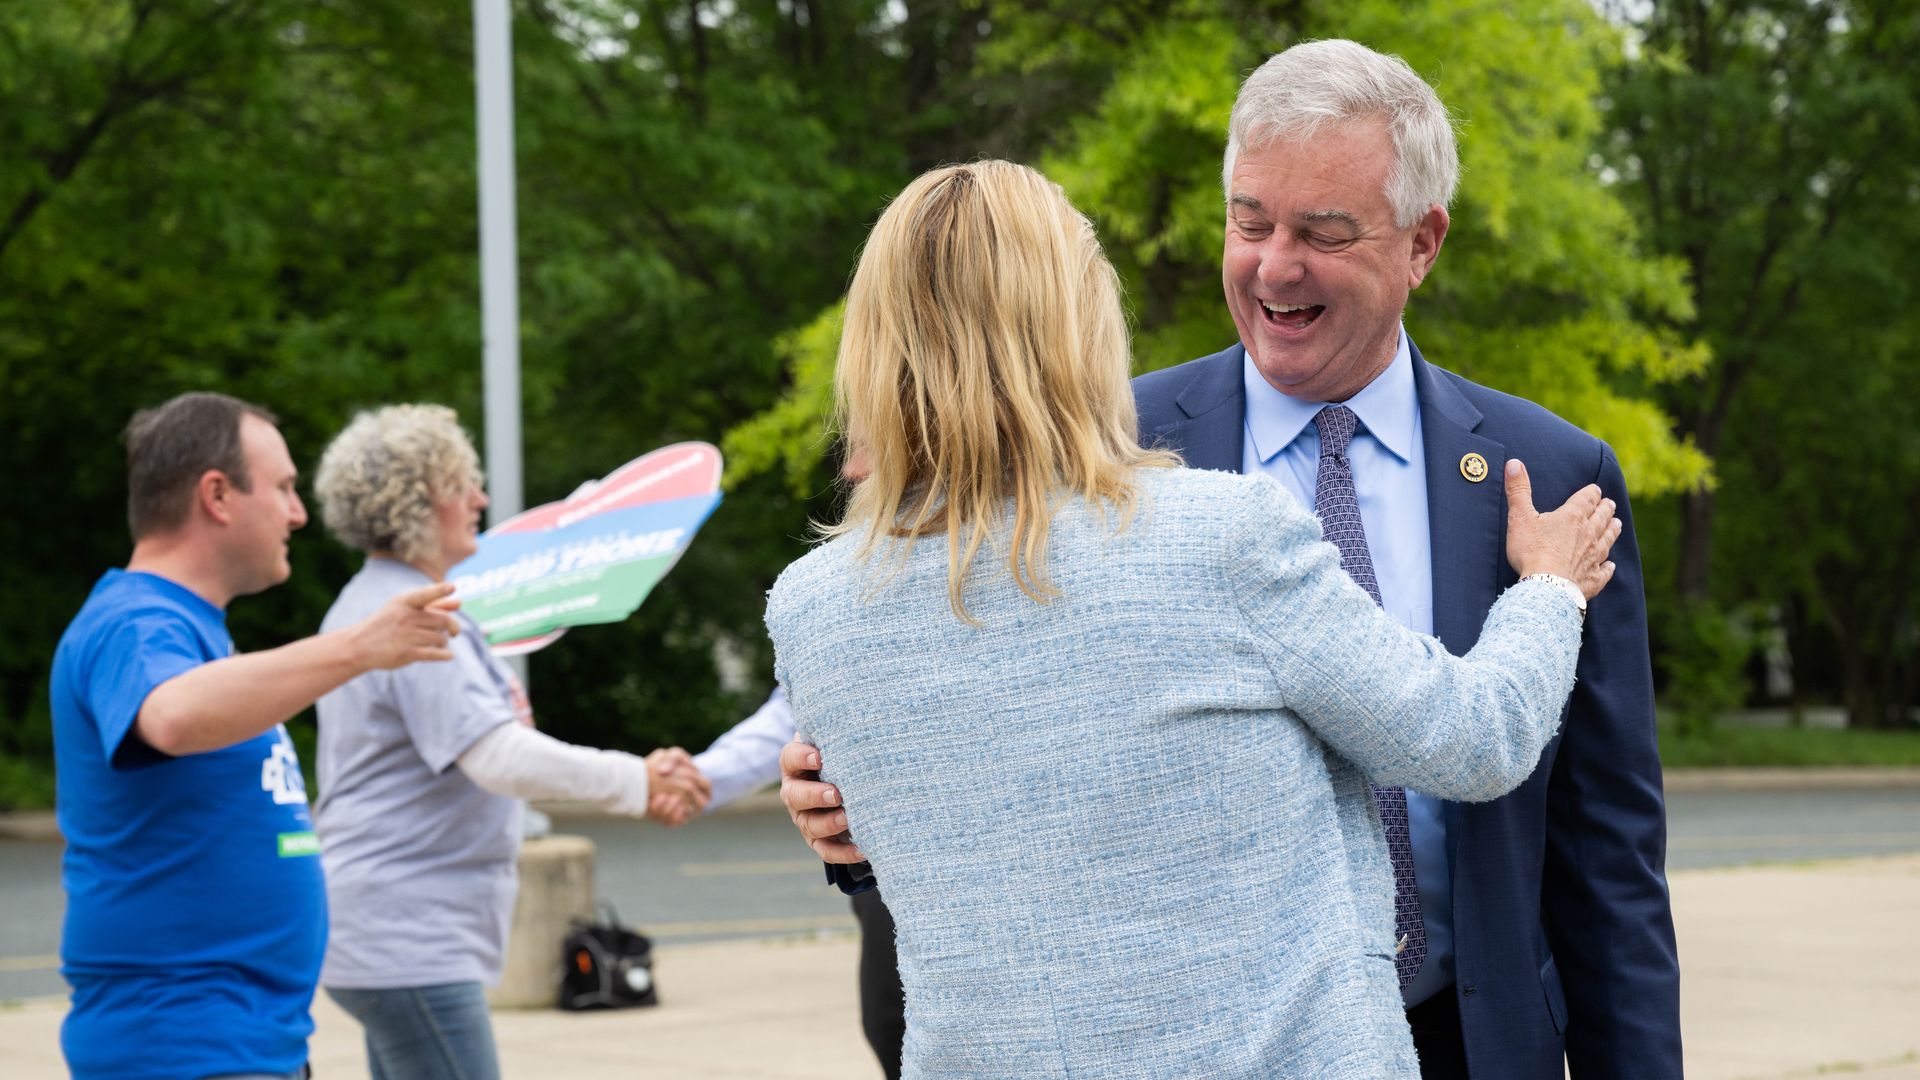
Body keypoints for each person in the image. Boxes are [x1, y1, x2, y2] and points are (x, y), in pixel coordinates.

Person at [782, 40, 1682, 1079]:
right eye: (1249, 222)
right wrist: (848, 827)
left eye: (1322, 231)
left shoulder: (1555, 472)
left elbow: (1608, 854)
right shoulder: (1092, 453)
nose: (1273, 264)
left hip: (1474, 1040)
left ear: (1422, 241)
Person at [50, 391, 462, 1080]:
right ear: (217, 495)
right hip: (183, 1044)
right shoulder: (134, 620)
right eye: (283, 488)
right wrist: (359, 647)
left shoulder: (195, 632)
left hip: (240, 1043)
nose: (298, 513)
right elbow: (172, 717)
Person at [308, 403, 711, 1080]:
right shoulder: (409, 618)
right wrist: (638, 780)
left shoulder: (384, 603)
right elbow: (497, 756)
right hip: (408, 938)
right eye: (462, 484)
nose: (481, 499)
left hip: (387, 932)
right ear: (419, 502)